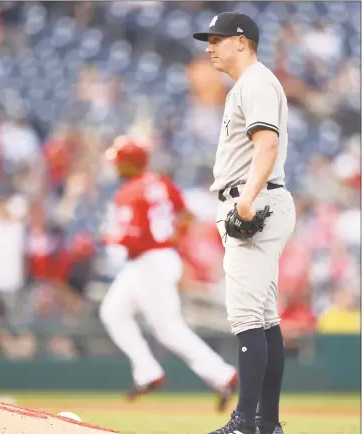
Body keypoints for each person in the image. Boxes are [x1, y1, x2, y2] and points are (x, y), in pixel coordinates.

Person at [193, 12, 296, 434]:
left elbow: (266, 143)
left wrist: (248, 201)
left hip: (254, 200)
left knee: (247, 320)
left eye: (217, 39)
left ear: (241, 41)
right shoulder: (251, 84)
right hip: (260, 198)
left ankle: (244, 425)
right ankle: (266, 424)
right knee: (265, 320)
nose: (209, 47)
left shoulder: (254, 82)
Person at [99, 135, 238, 412]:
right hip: (156, 259)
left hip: (149, 261)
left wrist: (109, 238)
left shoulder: (129, 192)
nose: (115, 167)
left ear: (129, 163)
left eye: (119, 162)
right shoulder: (159, 182)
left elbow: (134, 238)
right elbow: (186, 216)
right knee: (113, 312)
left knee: (168, 329)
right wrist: (173, 240)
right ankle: (147, 371)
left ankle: (223, 374)